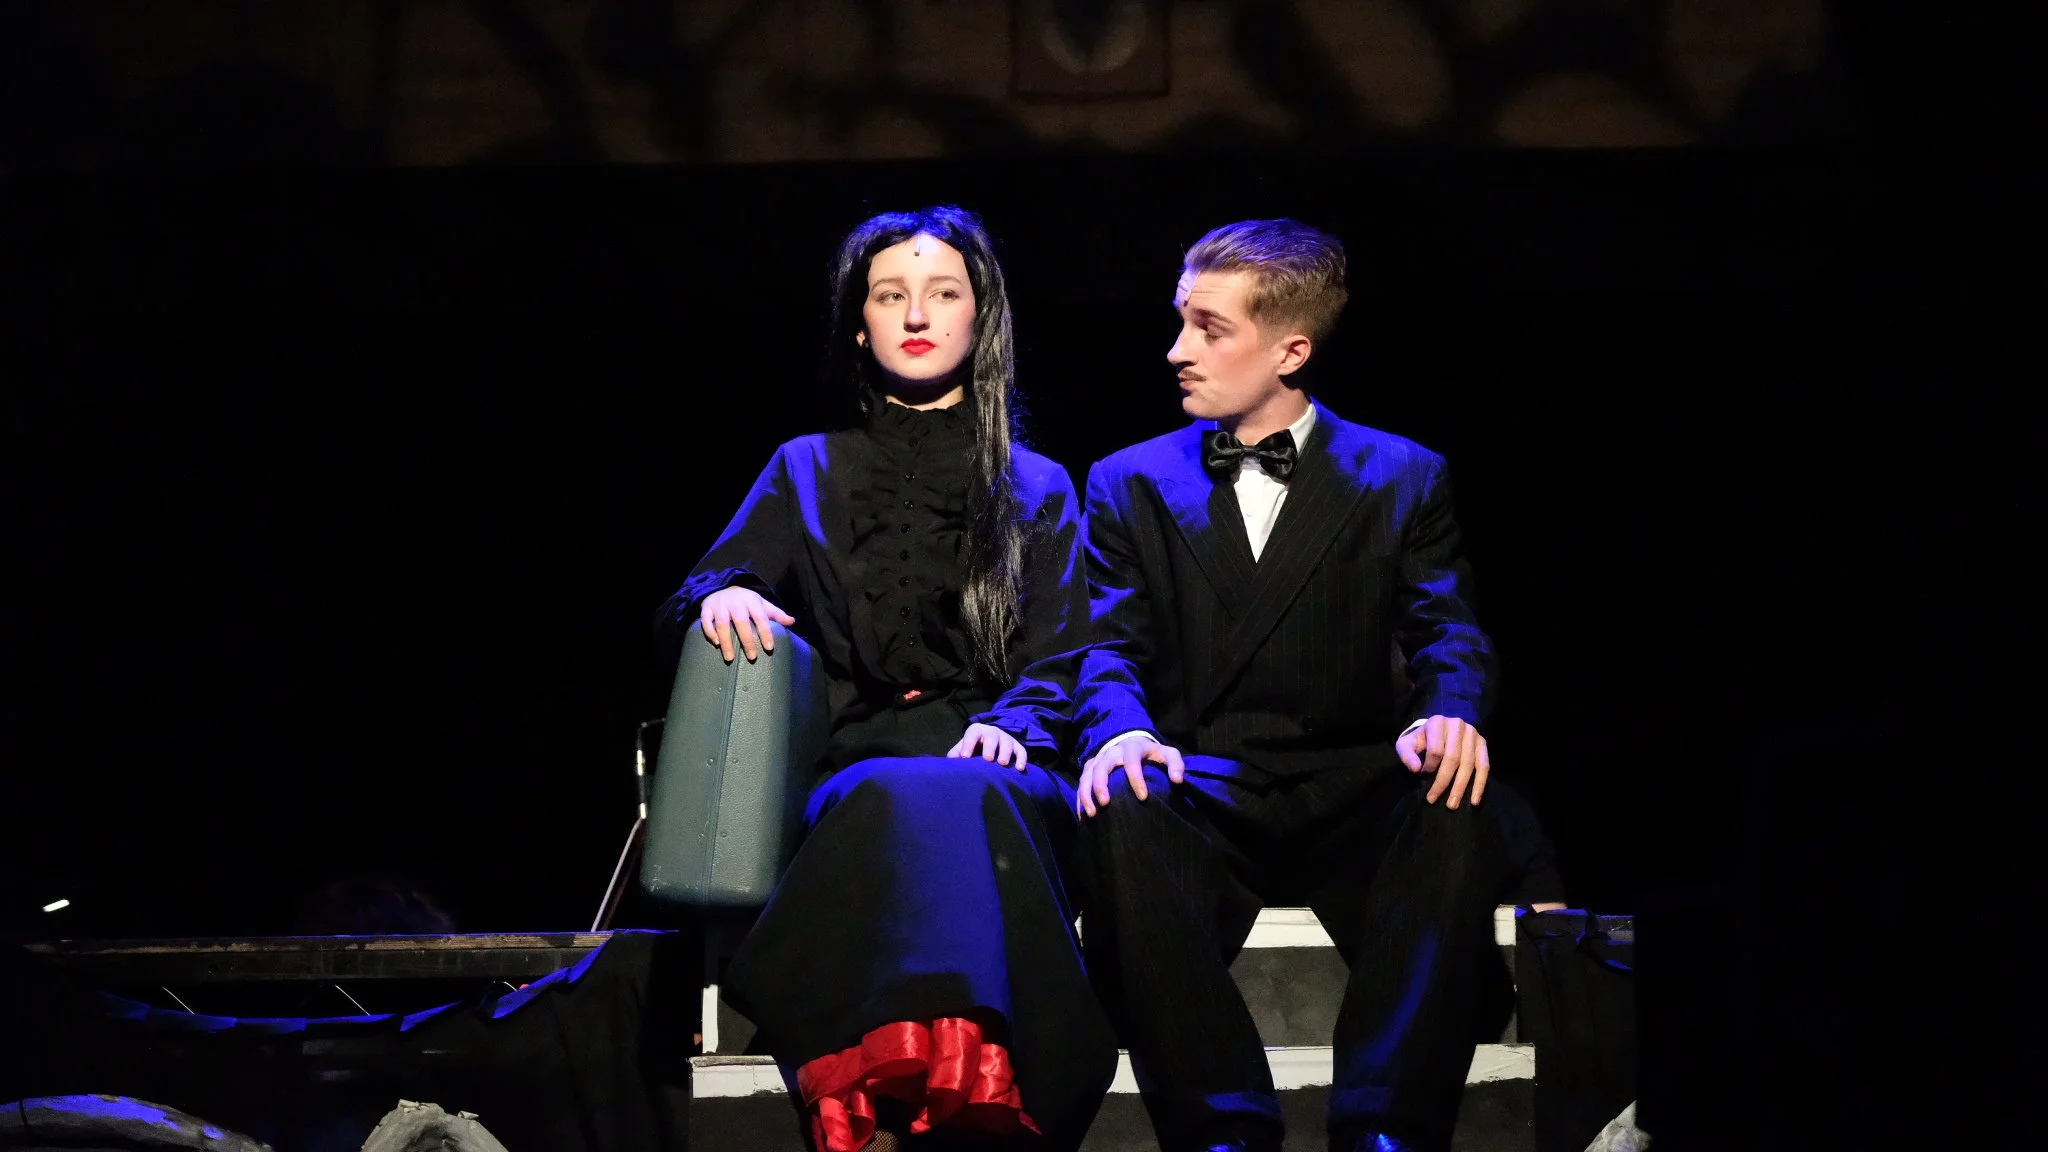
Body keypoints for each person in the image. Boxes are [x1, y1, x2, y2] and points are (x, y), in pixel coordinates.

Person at [659, 206, 1116, 1152]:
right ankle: (901, 1070)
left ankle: (971, 1077)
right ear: (860, 325)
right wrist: (722, 594)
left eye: (943, 293)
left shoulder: (1037, 484)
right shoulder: (806, 465)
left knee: (953, 789)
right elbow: (701, 587)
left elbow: (1065, 650)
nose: (916, 314)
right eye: (889, 295)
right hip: (856, 759)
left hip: (998, 757)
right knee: (886, 787)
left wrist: (1017, 725)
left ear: (980, 317)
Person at [1070, 219, 1513, 1152]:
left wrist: (1448, 712)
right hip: (1206, 785)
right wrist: (1119, 730)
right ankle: (1221, 1125)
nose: (1177, 349)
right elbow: (1109, 646)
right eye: (1181, 322)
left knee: (1454, 793)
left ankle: (1386, 1123)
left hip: (1350, 785)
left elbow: (1446, 629)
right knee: (1121, 795)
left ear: (1291, 351)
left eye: (1208, 328)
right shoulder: (1127, 482)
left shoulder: (1400, 475)